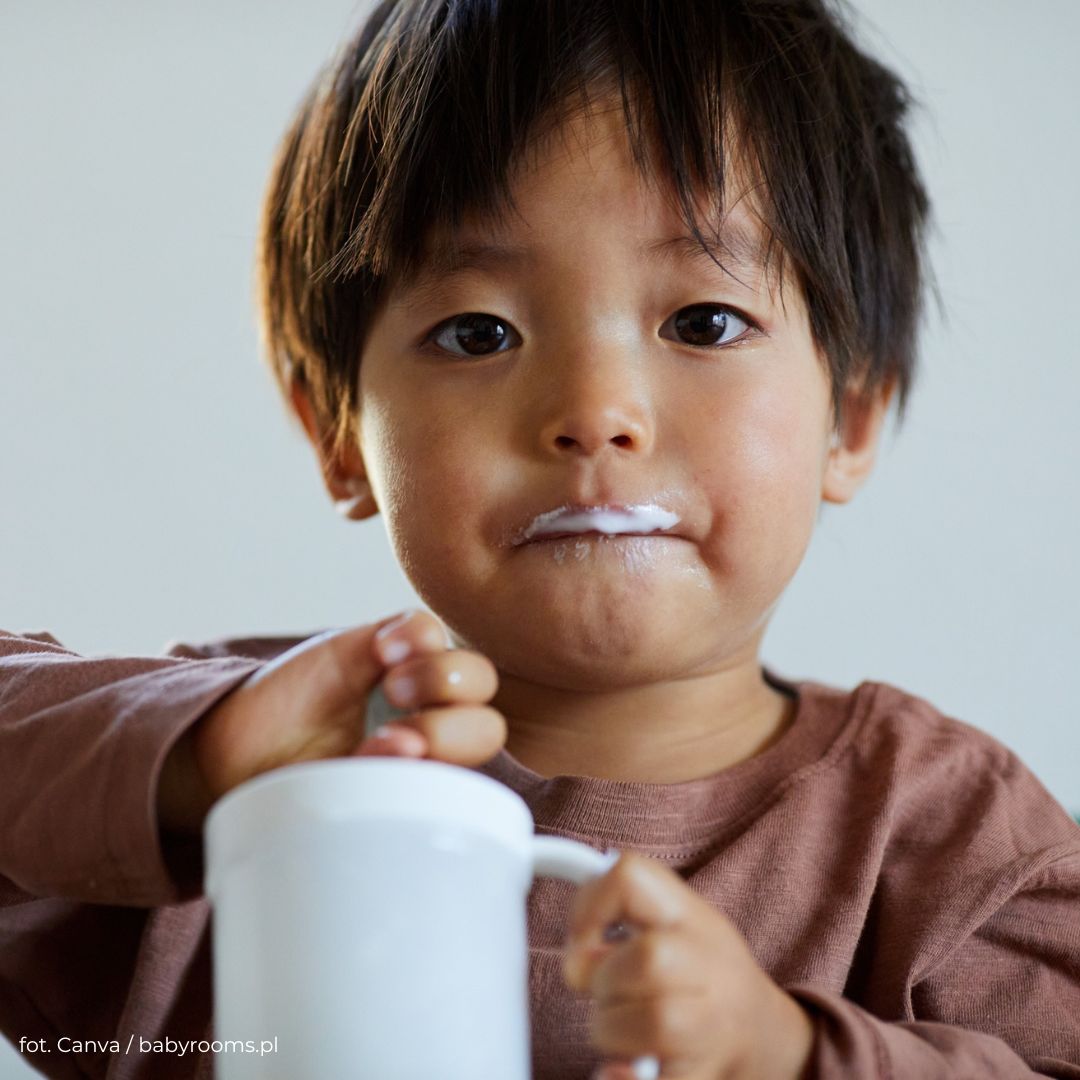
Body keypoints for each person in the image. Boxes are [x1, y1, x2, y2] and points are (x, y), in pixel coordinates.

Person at [2, 0, 1078, 1077]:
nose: (595, 408)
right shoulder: (235, 778)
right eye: (478, 333)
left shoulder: (948, 839)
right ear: (338, 432)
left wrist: (792, 1055)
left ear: (849, 417)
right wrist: (197, 763)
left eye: (703, 321)